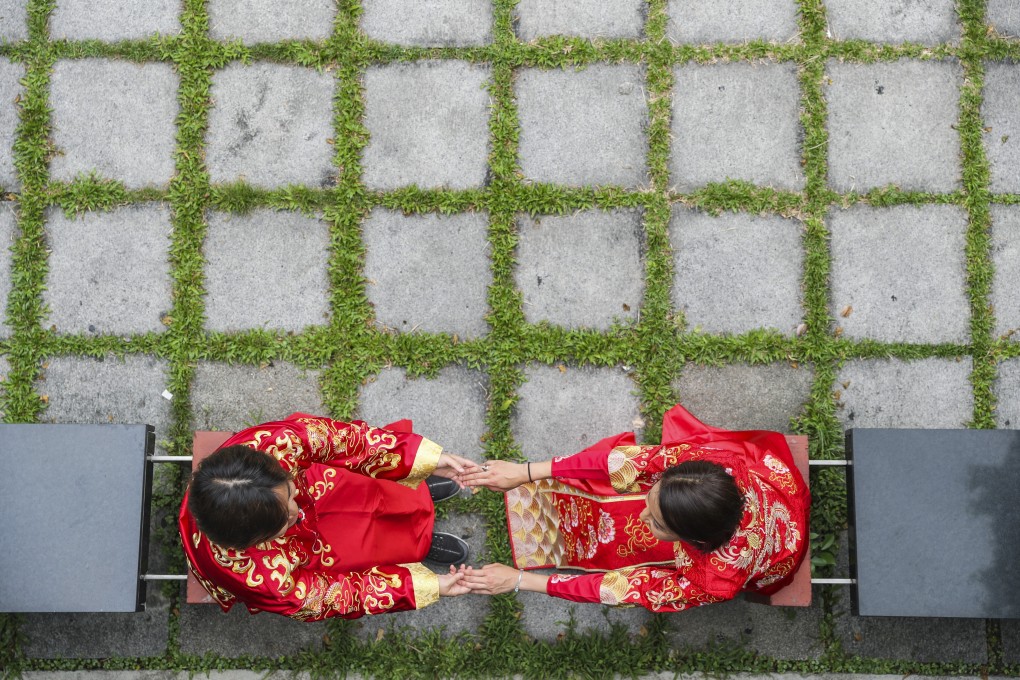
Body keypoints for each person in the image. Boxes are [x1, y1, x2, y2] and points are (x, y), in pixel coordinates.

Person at [459, 404, 809, 611]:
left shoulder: (712, 578)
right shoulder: (704, 466)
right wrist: (526, 472)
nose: (641, 516)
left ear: (695, 543)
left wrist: (520, 580)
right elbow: (622, 463)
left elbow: (618, 589)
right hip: (778, 491)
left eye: (658, 524)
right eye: (651, 500)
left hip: (775, 555)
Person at [178, 412, 477, 621]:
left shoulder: (271, 444)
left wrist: (422, 460)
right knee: (359, 550)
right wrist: (424, 588)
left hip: (315, 491)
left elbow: (343, 441)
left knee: (359, 486)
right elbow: (340, 595)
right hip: (302, 553)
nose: (297, 510)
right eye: (286, 521)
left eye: (289, 490)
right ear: (254, 542)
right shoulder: (263, 578)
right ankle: (416, 544)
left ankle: (413, 489)